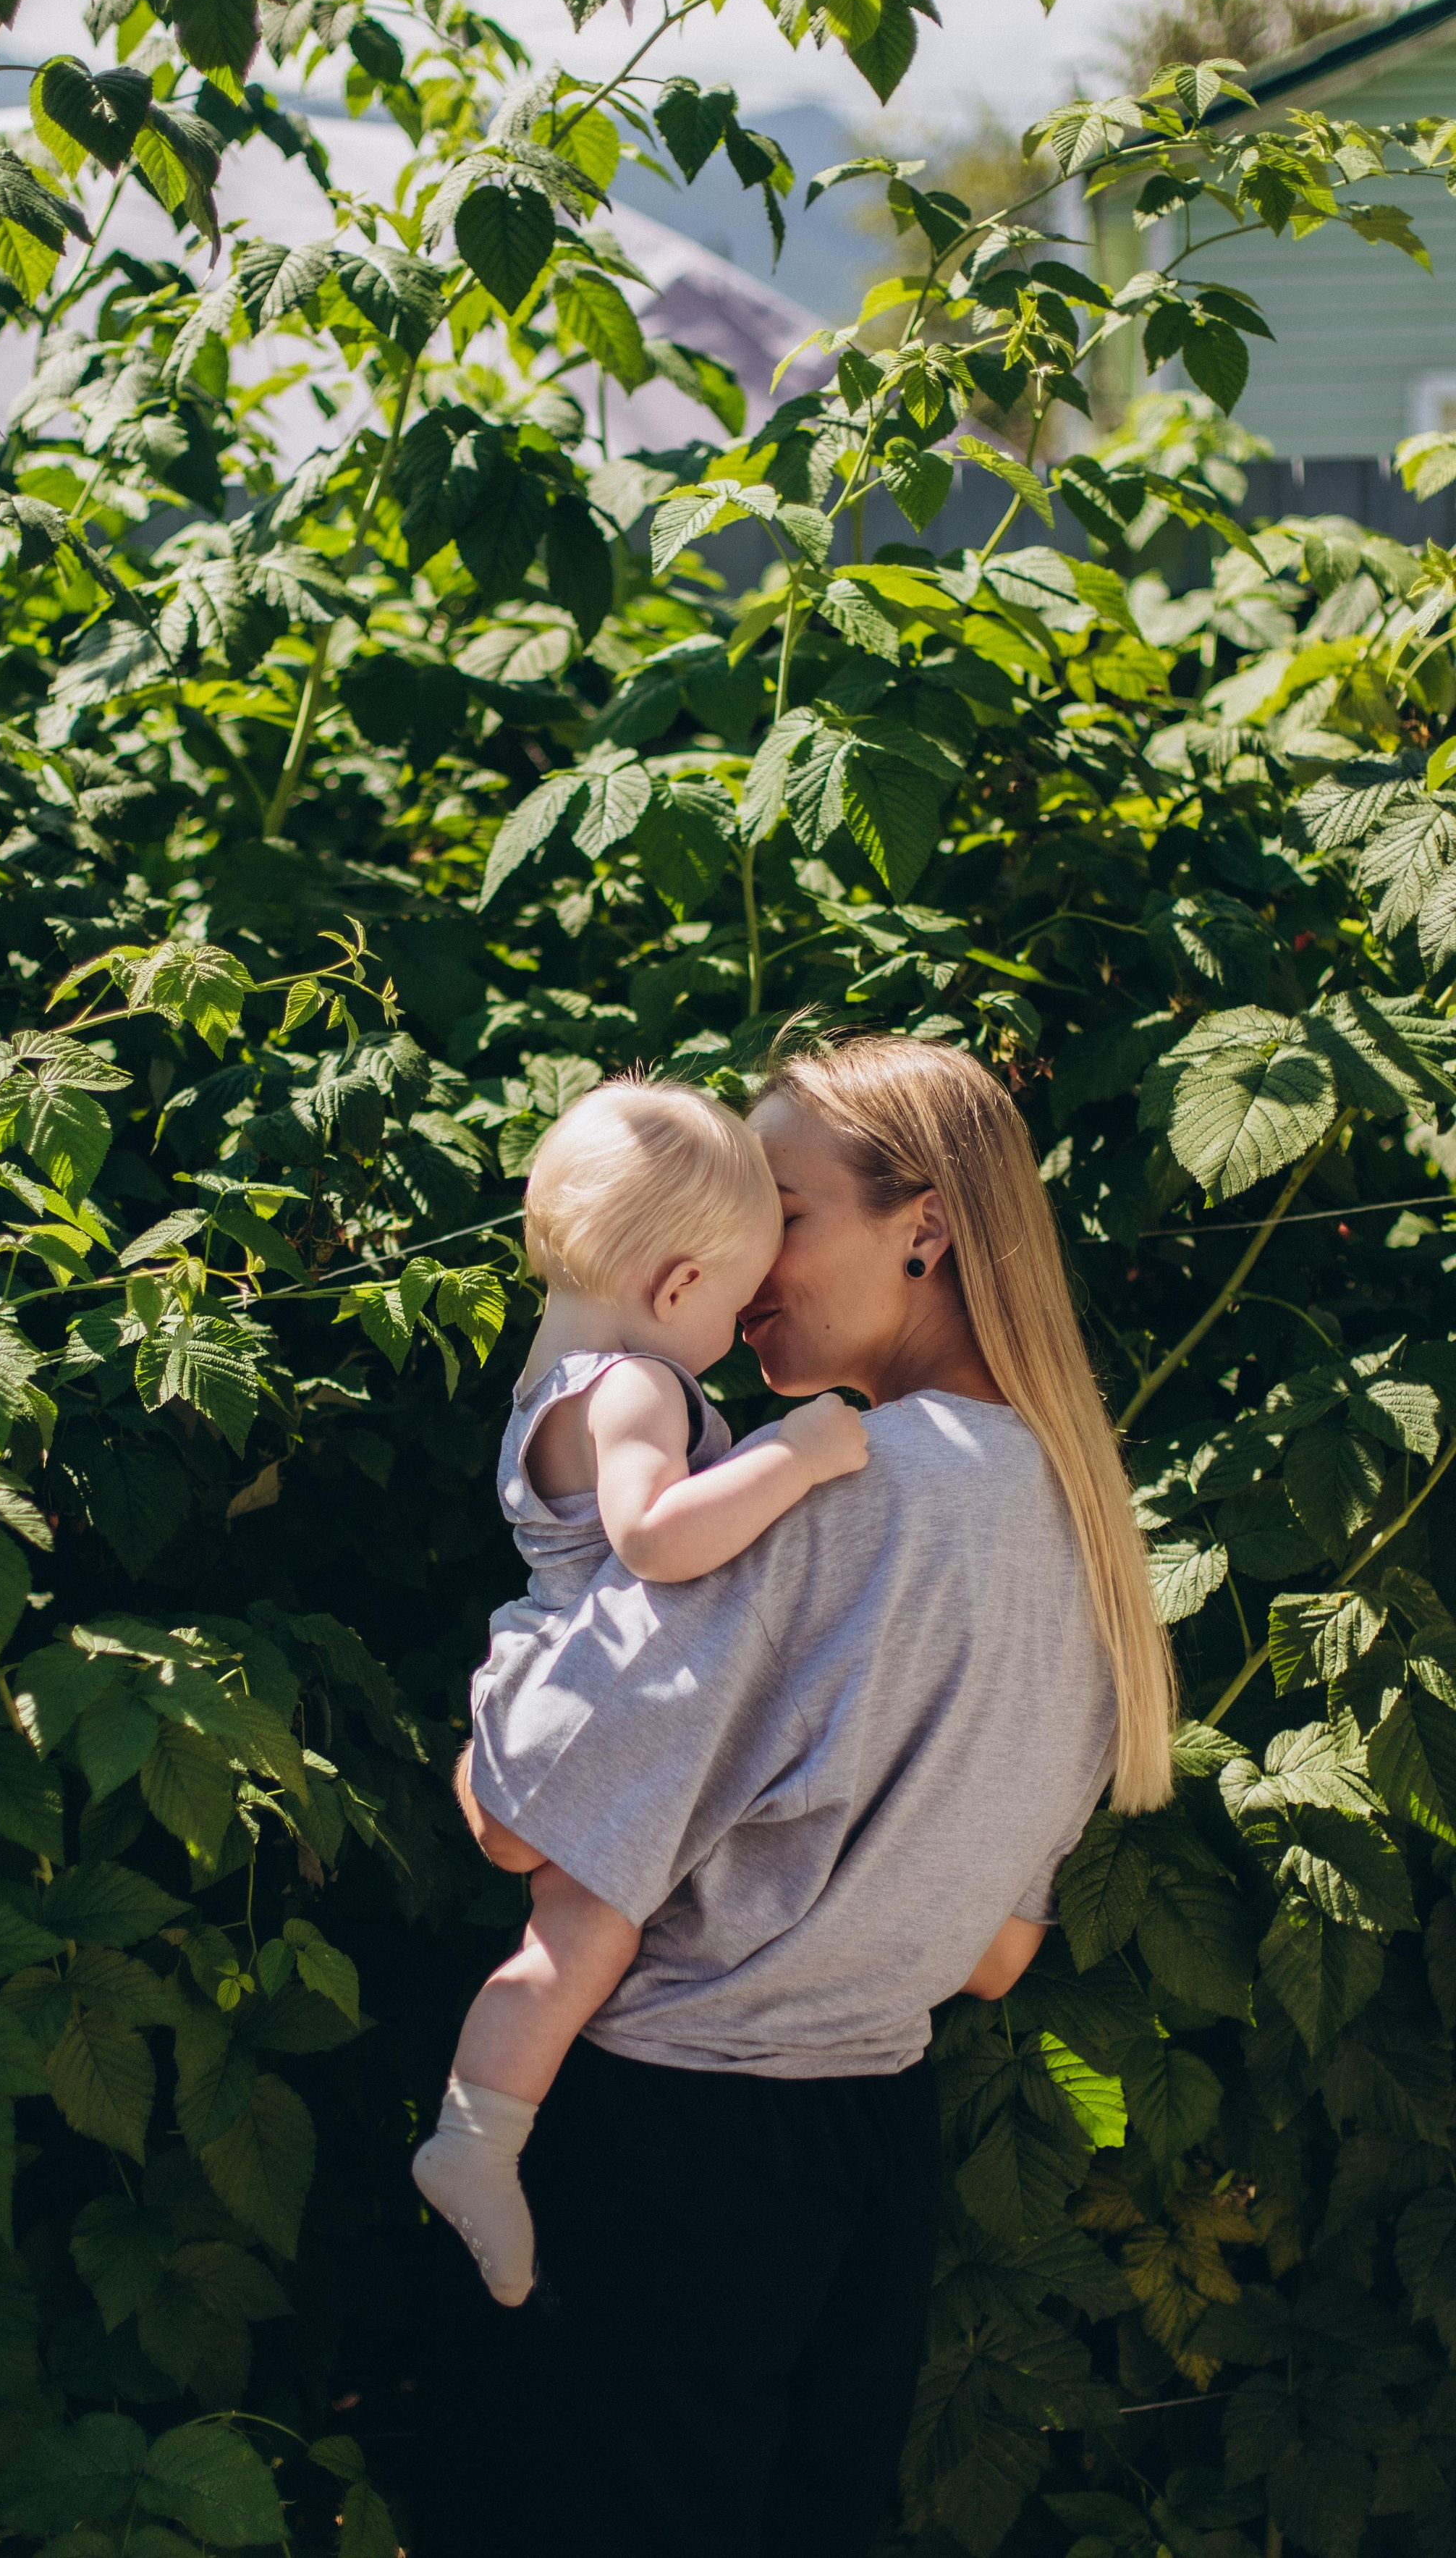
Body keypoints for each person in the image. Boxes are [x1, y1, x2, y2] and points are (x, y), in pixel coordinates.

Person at [439, 1033, 1177, 2558]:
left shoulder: (836, 1481)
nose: (750, 1262)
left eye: (786, 1211)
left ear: (925, 1225)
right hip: (869, 2147)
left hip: (675, 2144)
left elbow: (518, 1819)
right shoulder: (1088, 1529)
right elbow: (993, 1955)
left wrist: (512, 1675)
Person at [412, 1079, 869, 2306]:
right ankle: (475, 2142)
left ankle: (477, 2136)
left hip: (562, 1686)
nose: (740, 1324)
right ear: (676, 1289)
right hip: (589, 1705)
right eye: (734, 1297)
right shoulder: (639, 1388)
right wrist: (796, 1450)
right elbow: (659, 1537)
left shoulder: (547, 1385)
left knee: (574, 1942)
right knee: (582, 1945)